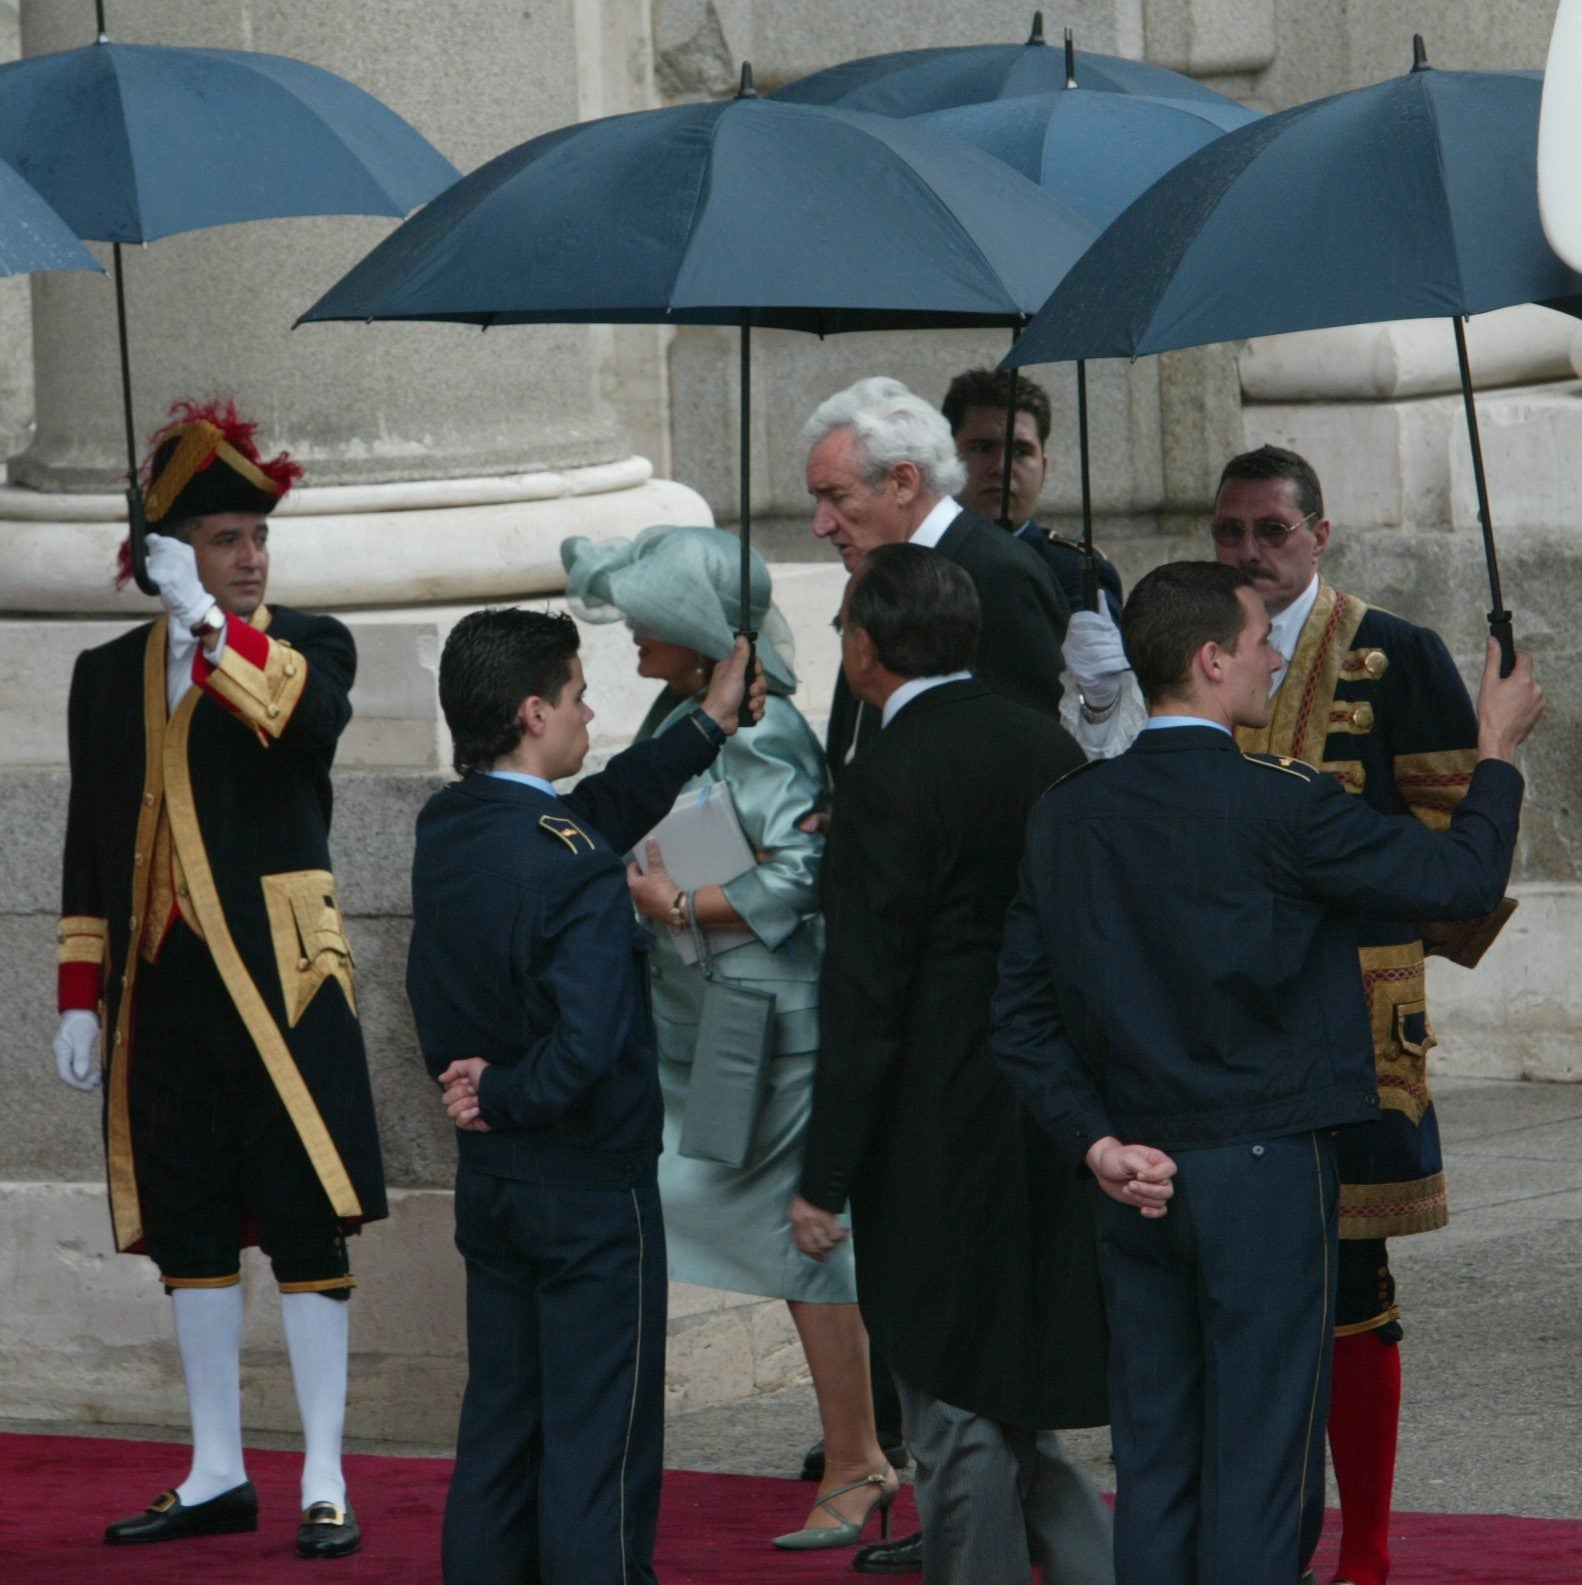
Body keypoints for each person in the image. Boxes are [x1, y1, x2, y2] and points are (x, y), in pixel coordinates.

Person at [991, 560, 1540, 1585]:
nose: (1275, 656)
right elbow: (1457, 879)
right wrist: (1496, 750)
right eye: (1256, 643)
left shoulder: (1067, 811)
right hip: (1262, 1166)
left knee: (1154, 1449)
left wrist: (1095, 1142)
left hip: (1132, 1164)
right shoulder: (1281, 803)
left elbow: (1020, 1018)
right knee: (1261, 1454)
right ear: (1209, 661)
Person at [53, 397, 385, 1559]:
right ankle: (213, 1469)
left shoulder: (310, 641)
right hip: (166, 995)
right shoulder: (105, 675)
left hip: (283, 986)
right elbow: (91, 842)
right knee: (190, 1225)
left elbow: (302, 720)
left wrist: (210, 627)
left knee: (304, 1223)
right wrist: (80, 996)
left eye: (256, 539)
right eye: (223, 541)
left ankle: (326, 1475)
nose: (250, 560)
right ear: (165, 552)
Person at [558, 523, 894, 1550]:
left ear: (696, 628)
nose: (628, 637)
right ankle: (871, 1443)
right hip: (701, 1022)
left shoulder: (766, 730)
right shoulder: (685, 709)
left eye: (646, 619)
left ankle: (859, 1456)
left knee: (805, 1245)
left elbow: (801, 877)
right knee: (750, 1231)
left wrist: (675, 903)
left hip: (763, 1029)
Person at [405, 607, 758, 1585]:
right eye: (575, 694)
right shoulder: (574, 867)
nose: (589, 711)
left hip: (497, 1186)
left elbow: (594, 809)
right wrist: (511, 1092)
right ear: (531, 712)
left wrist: (707, 721)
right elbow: (590, 1048)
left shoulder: (456, 823)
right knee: (598, 1449)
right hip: (588, 1194)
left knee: (502, 1435)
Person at [792, 544, 1112, 1585]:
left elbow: (866, 992)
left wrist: (823, 1173)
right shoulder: (1044, 744)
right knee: (1012, 1395)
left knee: (955, 1399)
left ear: (864, 647)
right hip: (1051, 1104)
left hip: (936, 1122)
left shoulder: (887, 771)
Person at [803, 375, 1071, 780]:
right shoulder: (879, 571)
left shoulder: (998, 575)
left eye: (837, 497)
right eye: (817, 500)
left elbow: (1027, 762)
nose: (820, 525)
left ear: (903, 482)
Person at [940, 366, 1123, 619]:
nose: (1001, 468)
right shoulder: (919, 561)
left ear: (1044, 468)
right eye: (983, 448)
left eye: (1021, 452)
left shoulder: (1074, 570)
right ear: (947, 460)